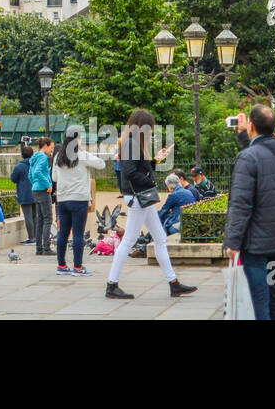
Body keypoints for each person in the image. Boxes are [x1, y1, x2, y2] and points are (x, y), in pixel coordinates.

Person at [223, 104, 275, 320]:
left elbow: (241, 204)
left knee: (259, 300)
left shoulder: (247, 158)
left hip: (258, 247)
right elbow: (263, 152)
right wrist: (243, 134)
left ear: (252, 125)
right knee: (274, 295)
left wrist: (232, 242)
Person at [107, 109, 195, 300]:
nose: (151, 131)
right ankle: (112, 284)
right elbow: (130, 172)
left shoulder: (132, 143)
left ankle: (173, 283)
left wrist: (156, 159)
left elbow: (140, 168)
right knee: (130, 240)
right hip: (139, 196)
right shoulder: (131, 143)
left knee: (160, 238)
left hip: (140, 197)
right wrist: (152, 183)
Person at [51, 127, 104, 276]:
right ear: (78, 140)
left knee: (63, 233)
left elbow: (54, 178)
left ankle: (61, 265)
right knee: (78, 233)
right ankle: (78, 267)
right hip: (79, 199)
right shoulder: (82, 155)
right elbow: (101, 164)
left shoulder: (58, 157)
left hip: (62, 199)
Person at [28, 137, 55, 255]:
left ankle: (39, 248)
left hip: (35, 190)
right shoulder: (44, 158)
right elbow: (37, 172)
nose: (52, 151)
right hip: (43, 190)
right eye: (51, 148)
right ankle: (46, 248)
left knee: (39, 220)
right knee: (48, 219)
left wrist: (34, 183)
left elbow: (30, 174)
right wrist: (47, 184)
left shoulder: (35, 157)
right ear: (46, 146)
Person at [10, 145, 37, 245]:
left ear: (22, 155)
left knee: (28, 217)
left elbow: (13, 179)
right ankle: (37, 236)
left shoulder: (19, 166)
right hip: (36, 192)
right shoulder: (35, 165)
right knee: (35, 216)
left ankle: (31, 238)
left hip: (24, 194)